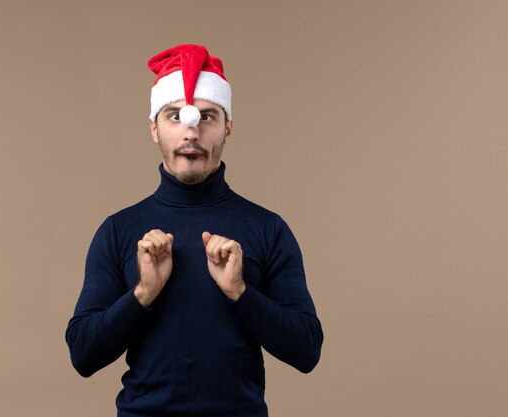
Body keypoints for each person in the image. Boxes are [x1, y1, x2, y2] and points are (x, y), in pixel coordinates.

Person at [66, 44, 324, 417]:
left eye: (207, 116)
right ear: (154, 128)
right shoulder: (119, 231)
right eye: (175, 117)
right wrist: (143, 294)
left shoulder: (267, 229)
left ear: (228, 127)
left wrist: (240, 292)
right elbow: (82, 354)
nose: (191, 132)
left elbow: (307, 351)